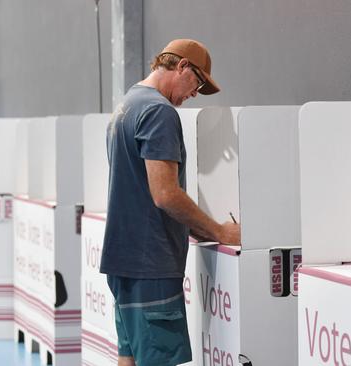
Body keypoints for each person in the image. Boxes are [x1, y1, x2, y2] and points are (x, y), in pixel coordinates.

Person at [100, 38, 240, 366]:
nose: (194, 94)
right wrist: (220, 230)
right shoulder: (158, 112)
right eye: (198, 83)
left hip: (124, 262)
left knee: (129, 356)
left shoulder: (128, 105)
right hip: (151, 263)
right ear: (182, 67)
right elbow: (164, 193)